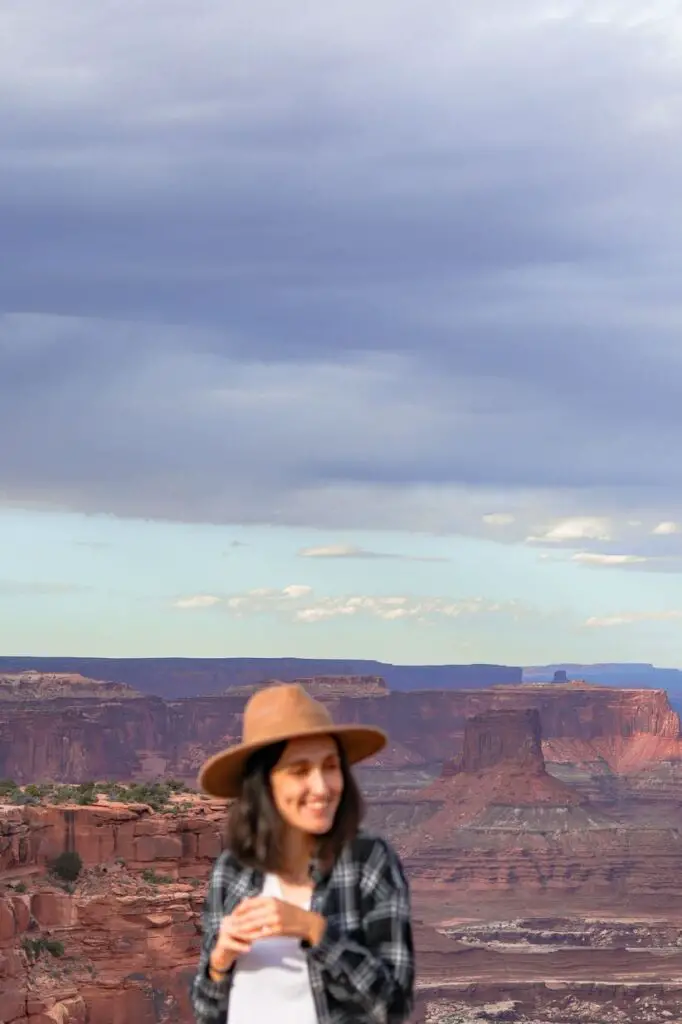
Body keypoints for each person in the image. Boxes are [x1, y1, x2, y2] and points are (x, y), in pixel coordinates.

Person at [190, 682, 415, 1024]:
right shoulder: (232, 870)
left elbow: (393, 1006)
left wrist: (314, 931)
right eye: (299, 771)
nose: (322, 787)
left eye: (330, 766)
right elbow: (207, 1013)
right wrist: (219, 962)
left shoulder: (366, 861)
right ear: (264, 783)